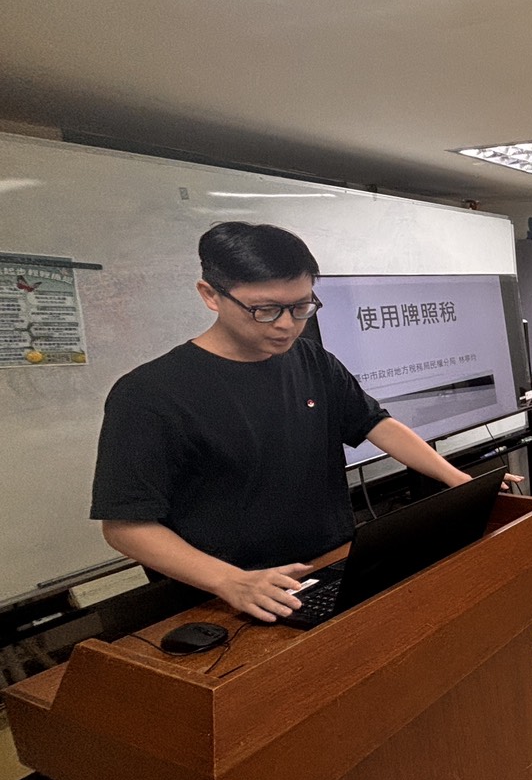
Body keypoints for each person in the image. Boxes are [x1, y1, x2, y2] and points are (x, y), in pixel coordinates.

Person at [91, 221, 488, 623]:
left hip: (332, 564)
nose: (286, 324)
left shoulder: (311, 359)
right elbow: (124, 525)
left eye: (301, 307)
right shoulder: (150, 394)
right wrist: (230, 581)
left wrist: (458, 479)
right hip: (230, 595)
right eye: (265, 310)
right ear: (210, 295)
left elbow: (374, 423)